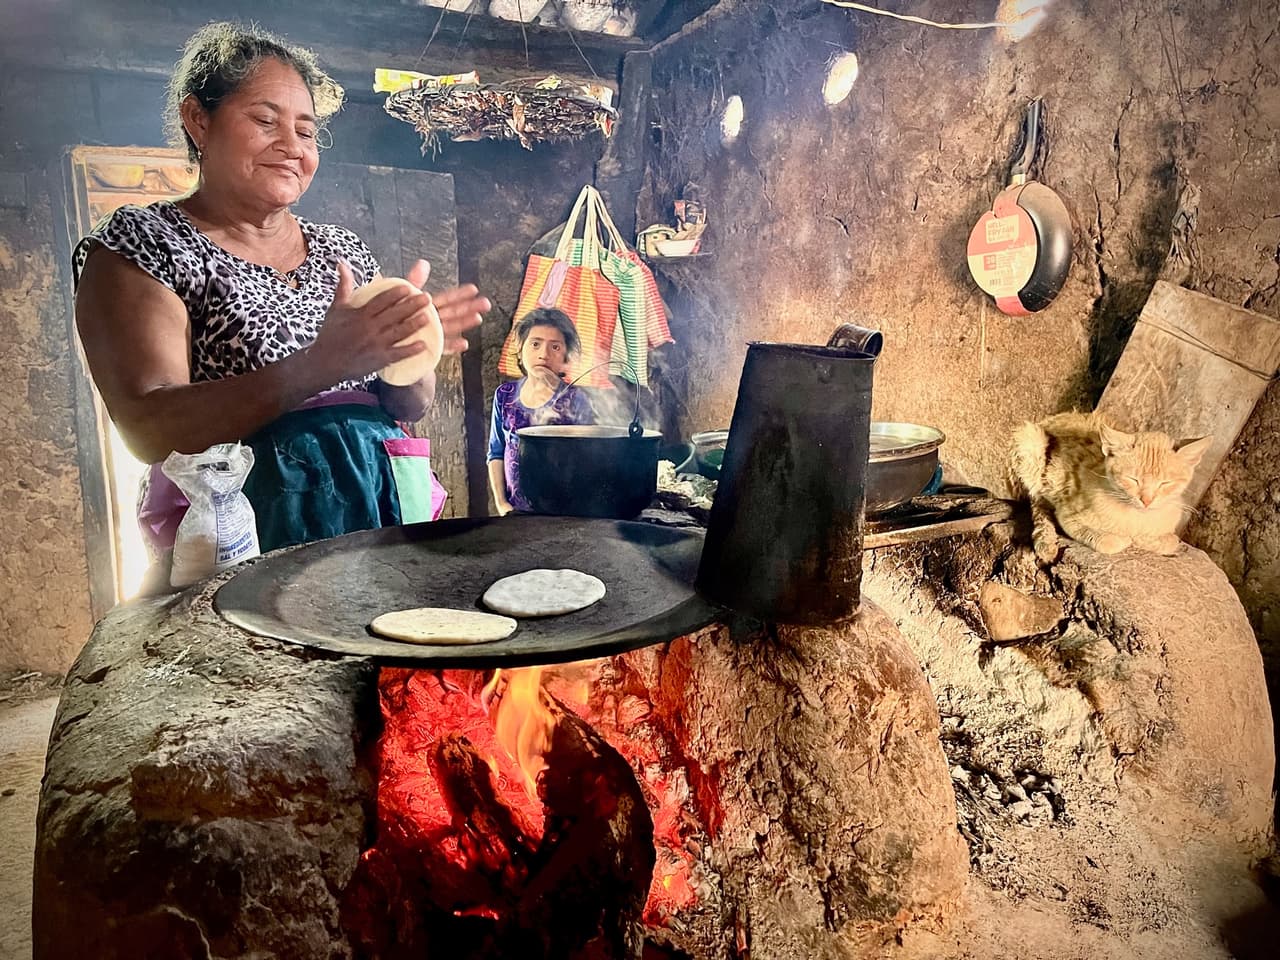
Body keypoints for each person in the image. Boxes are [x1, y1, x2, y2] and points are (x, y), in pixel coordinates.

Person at [72, 22, 490, 560]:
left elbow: (406, 404)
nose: (292, 147)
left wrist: (411, 350)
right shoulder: (144, 245)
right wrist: (324, 362)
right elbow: (148, 429)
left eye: (308, 131)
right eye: (265, 120)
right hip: (250, 533)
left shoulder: (343, 249)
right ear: (198, 120)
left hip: (376, 514)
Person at [487, 308, 593, 515]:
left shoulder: (576, 400)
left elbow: (587, 462)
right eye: (535, 344)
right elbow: (496, 453)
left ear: (566, 357)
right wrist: (502, 504)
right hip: (515, 514)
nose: (543, 354)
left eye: (555, 347)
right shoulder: (505, 396)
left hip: (565, 515)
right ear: (521, 348)